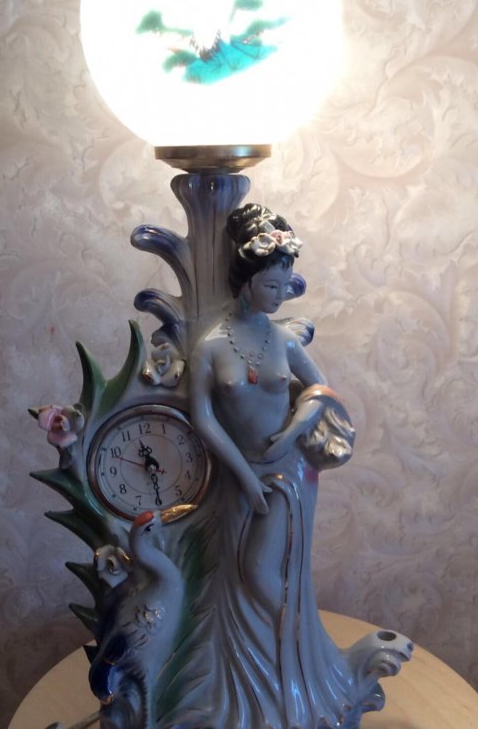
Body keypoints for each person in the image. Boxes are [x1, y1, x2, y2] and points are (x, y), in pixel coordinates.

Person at [177, 203, 360, 729]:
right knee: (241, 572)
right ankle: (252, 675)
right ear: (246, 283)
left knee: (271, 570)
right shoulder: (212, 347)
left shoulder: (283, 339)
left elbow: (320, 390)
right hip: (239, 477)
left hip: (292, 474)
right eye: (271, 286)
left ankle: (294, 654)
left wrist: (294, 432)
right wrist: (242, 474)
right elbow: (203, 419)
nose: (280, 296)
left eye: (285, 286)